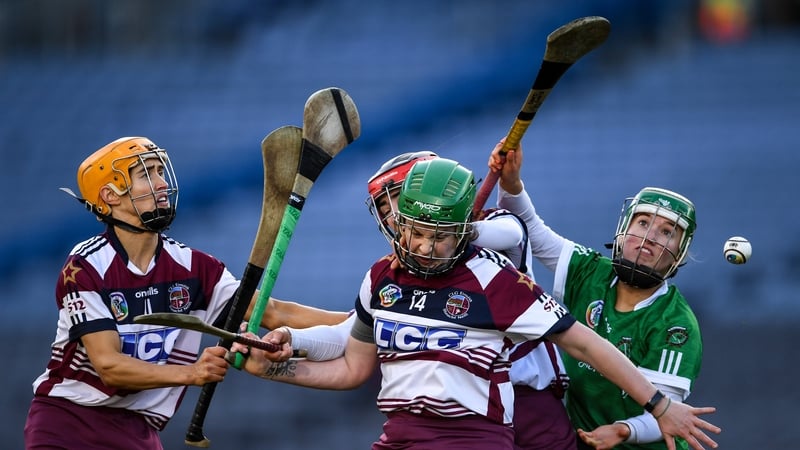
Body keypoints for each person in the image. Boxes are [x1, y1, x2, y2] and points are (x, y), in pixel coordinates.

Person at [234, 158, 720, 450]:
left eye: (438, 231)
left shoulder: (493, 270)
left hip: (511, 415)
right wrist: (282, 351)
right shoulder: (383, 276)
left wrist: (656, 408)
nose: (424, 244)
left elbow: (519, 235)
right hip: (401, 433)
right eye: (409, 225)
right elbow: (353, 351)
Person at [266, 150, 575, 449]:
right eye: (384, 210)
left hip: (530, 399)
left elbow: (513, 233)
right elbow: (353, 334)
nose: (392, 219)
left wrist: (457, 230)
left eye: (396, 201)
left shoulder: (492, 226)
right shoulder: (402, 272)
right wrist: (289, 338)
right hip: (462, 412)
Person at [23, 136, 272, 449]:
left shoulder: (193, 266)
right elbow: (109, 367)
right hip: (69, 424)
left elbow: (273, 311)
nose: (162, 183)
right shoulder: (86, 266)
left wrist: (336, 325)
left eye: (160, 172)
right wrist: (194, 372)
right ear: (110, 195)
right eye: (147, 174)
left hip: (138, 430)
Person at [487, 141, 707, 450]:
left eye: (667, 232)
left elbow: (667, 415)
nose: (648, 238)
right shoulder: (591, 271)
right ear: (624, 229)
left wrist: (623, 430)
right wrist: (511, 184)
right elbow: (531, 231)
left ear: (679, 254)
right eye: (643, 223)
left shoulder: (676, 324)